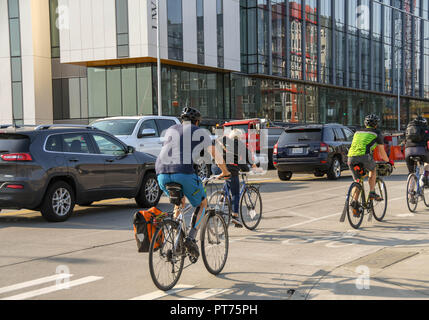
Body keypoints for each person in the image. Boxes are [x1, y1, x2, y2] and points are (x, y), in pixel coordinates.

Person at [156, 107, 230, 259]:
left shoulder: (171, 128)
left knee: (179, 203)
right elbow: (215, 154)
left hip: (161, 173)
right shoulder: (200, 132)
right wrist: (225, 172)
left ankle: (177, 236)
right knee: (202, 204)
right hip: (183, 173)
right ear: (197, 122)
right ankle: (190, 238)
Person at [212, 128, 259, 227]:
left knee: (227, 179)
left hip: (218, 167)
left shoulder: (226, 141)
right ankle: (235, 216)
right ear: (240, 137)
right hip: (232, 169)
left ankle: (222, 196)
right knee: (235, 194)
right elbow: (248, 160)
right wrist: (253, 168)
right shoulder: (241, 145)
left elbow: (216, 140)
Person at [347, 114, 392, 216]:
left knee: (358, 180)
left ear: (365, 124)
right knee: (373, 170)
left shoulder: (357, 132)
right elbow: (382, 153)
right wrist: (388, 161)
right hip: (364, 156)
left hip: (350, 157)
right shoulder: (377, 133)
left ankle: (354, 202)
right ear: (376, 125)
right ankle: (372, 192)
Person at [404, 115, 429, 187]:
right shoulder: (425, 129)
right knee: (427, 163)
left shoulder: (408, 128)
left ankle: (410, 194)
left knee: (411, 173)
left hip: (408, 151)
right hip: (421, 151)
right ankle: (425, 177)